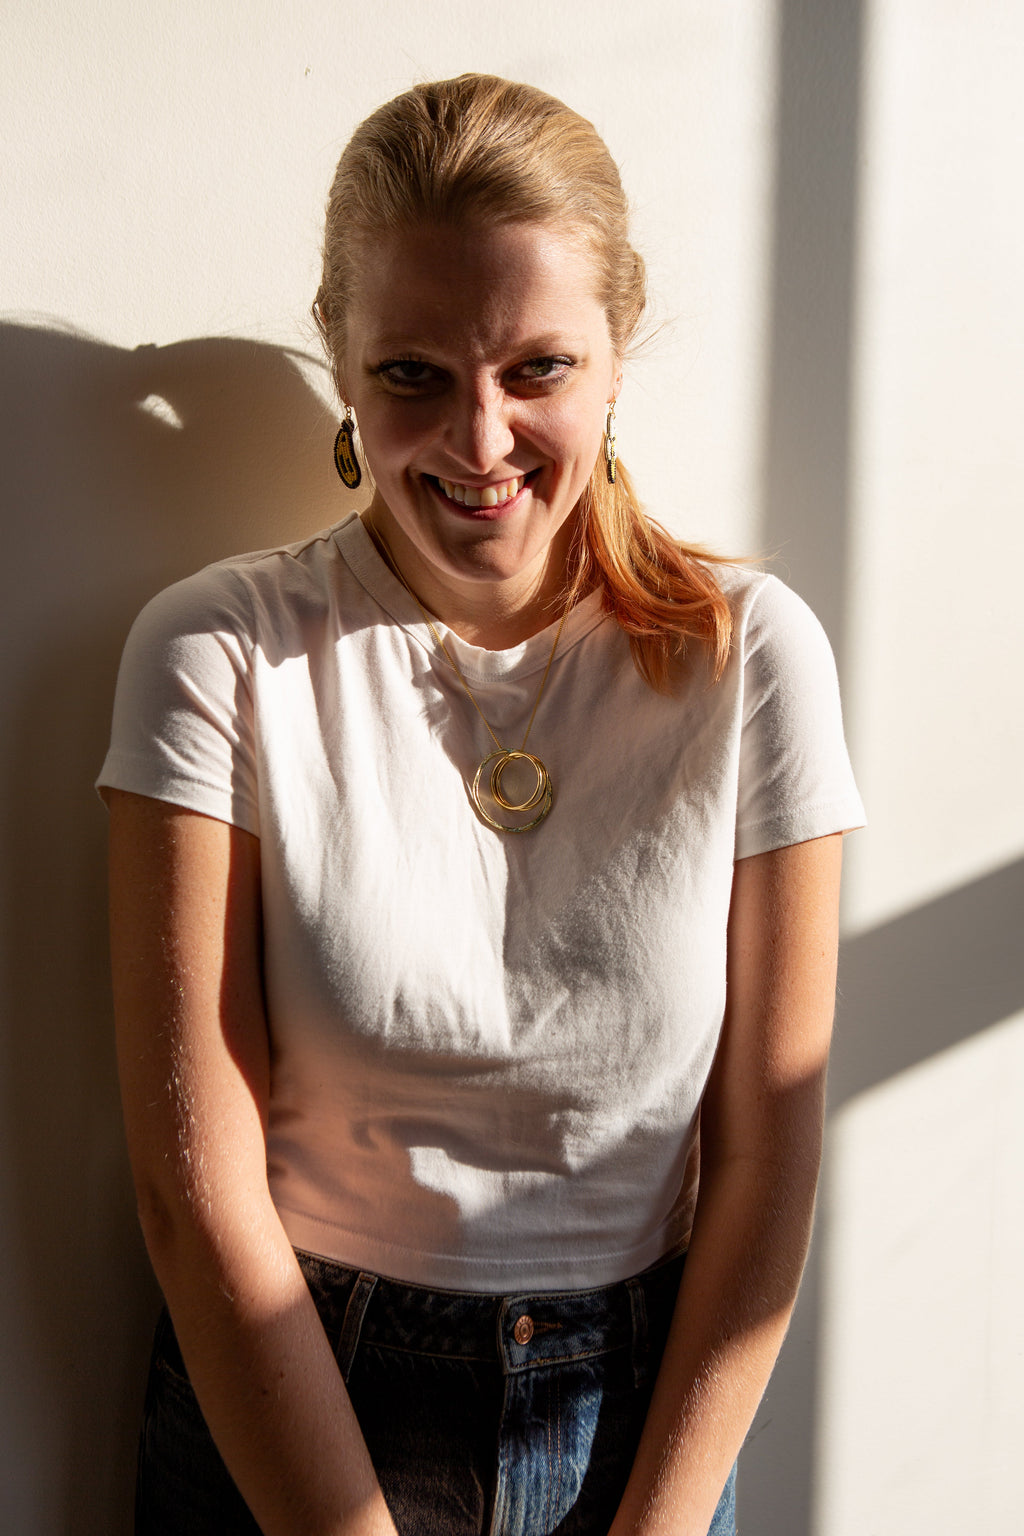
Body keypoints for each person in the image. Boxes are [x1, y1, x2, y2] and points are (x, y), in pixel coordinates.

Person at [99, 74, 864, 1536]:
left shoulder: (753, 658)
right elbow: (190, 1187)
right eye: (413, 375)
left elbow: (768, 1156)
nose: (481, 440)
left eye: (536, 369)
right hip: (290, 1411)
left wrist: (661, 1523)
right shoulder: (217, 653)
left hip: (637, 1422)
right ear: (338, 357)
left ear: (619, 352)